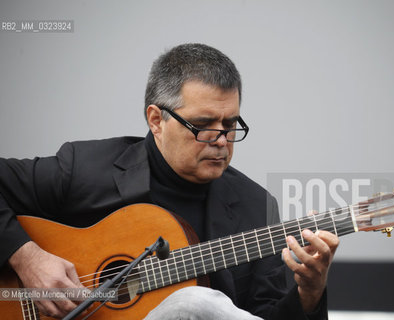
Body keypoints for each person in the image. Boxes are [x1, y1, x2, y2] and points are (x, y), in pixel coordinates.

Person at [0, 43, 339, 319]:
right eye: (204, 124)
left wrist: (308, 295)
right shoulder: (85, 168)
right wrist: (26, 257)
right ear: (156, 121)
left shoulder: (255, 206)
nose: (221, 140)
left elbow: (263, 313)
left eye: (231, 125)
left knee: (194, 304)